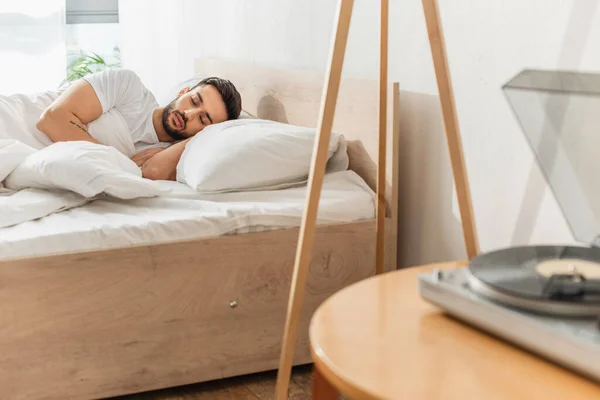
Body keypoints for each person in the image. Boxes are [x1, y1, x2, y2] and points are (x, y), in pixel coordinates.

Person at [35, 68, 242, 180]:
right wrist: (121, 164)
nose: (189, 114)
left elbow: (149, 174)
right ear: (182, 92)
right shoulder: (129, 87)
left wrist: (202, 137)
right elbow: (53, 119)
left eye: (203, 119)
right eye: (194, 101)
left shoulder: (166, 156)